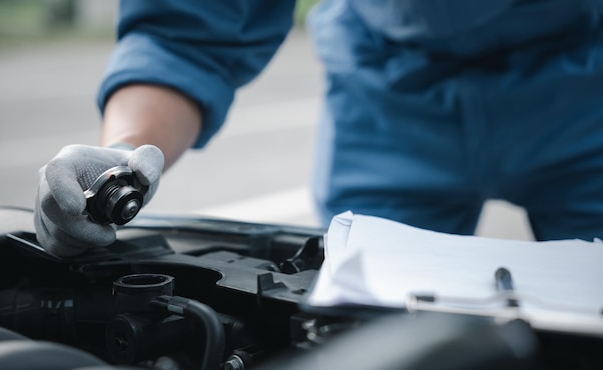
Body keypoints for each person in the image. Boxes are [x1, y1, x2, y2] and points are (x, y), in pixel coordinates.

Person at [35, 0, 603, 257]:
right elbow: (188, 31)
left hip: (587, 84)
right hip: (387, 92)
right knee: (368, 336)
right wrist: (121, 153)